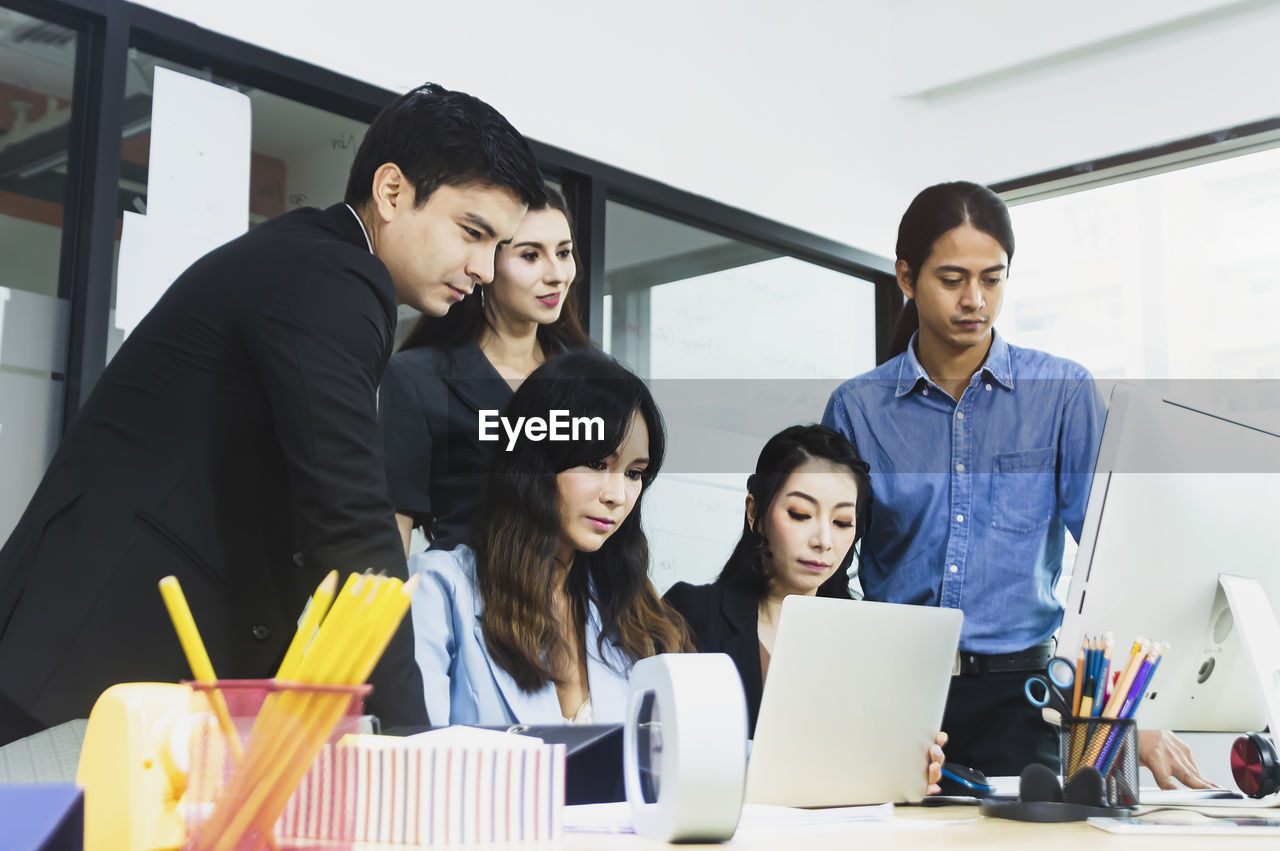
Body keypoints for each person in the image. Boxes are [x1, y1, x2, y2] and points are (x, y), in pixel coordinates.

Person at [0, 83, 546, 745]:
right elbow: (350, 518)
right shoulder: (334, 277)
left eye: (498, 246)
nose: (485, 268)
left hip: (98, 666)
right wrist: (408, 742)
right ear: (393, 191)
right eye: (473, 232)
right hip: (75, 669)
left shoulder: (310, 261)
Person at [821, 180, 1210, 787]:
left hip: (1025, 698)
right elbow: (825, 564)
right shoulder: (857, 409)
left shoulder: (1061, 394)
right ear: (905, 277)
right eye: (952, 279)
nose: (974, 298)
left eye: (992, 278)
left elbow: (1113, 562)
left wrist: (1123, 712)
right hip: (894, 691)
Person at [409, 350, 693, 725]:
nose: (617, 495)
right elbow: (413, 754)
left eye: (634, 473)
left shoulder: (631, 609)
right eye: (597, 464)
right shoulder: (438, 587)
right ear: (535, 459)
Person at [664, 424, 946, 793]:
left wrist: (907, 772)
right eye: (800, 514)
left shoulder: (868, 638)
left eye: (843, 522)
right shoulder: (690, 613)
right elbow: (664, 754)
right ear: (755, 513)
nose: (824, 541)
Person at [379, 185, 592, 555]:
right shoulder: (417, 378)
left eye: (564, 253)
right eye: (530, 255)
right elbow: (393, 530)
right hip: (466, 603)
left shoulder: (592, 379)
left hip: (569, 604)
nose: (557, 274)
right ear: (486, 262)